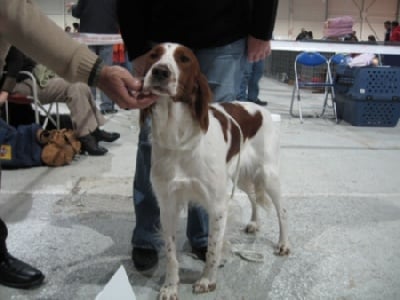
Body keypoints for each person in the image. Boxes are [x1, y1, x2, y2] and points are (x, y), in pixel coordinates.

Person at [0, 0, 156, 289]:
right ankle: (89, 135)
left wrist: (98, 73)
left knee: (79, 86)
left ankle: (92, 131)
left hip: (46, 73)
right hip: (24, 81)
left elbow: (14, 13)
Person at [117, 0, 278, 271]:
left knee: (212, 140)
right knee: (150, 141)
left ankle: (203, 236)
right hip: (157, 28)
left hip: (224, 33)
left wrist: (262, 28)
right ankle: (147, 236)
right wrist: (135, 45)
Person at [1, 46, 120, 155]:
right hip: (17, 83)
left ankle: (94, 130)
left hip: (33, 77)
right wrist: (5, 90)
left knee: (81, 84)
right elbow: (15, 62)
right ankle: (85, 136)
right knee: (74, 88)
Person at [69, 0, 120, 115]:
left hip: (88, 35)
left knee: (89, 70)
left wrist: (73, 8)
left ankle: (89, 104)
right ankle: (107, 106)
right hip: (107, 35)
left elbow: (77, 12)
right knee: (106, 72)